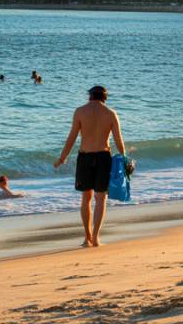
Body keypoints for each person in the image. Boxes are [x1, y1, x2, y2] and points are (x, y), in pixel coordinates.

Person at [54, 85, 126, 247]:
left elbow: (71, 137)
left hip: (85, 157)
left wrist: (62, 158)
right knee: (101, 199)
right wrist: (125, 160)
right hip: (103, 157)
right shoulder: (111, 114)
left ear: (90, 96)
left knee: (86, 198)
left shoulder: (80, 111)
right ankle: (96, 237)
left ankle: (87, 237)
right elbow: (119, 141)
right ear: (104, 97)